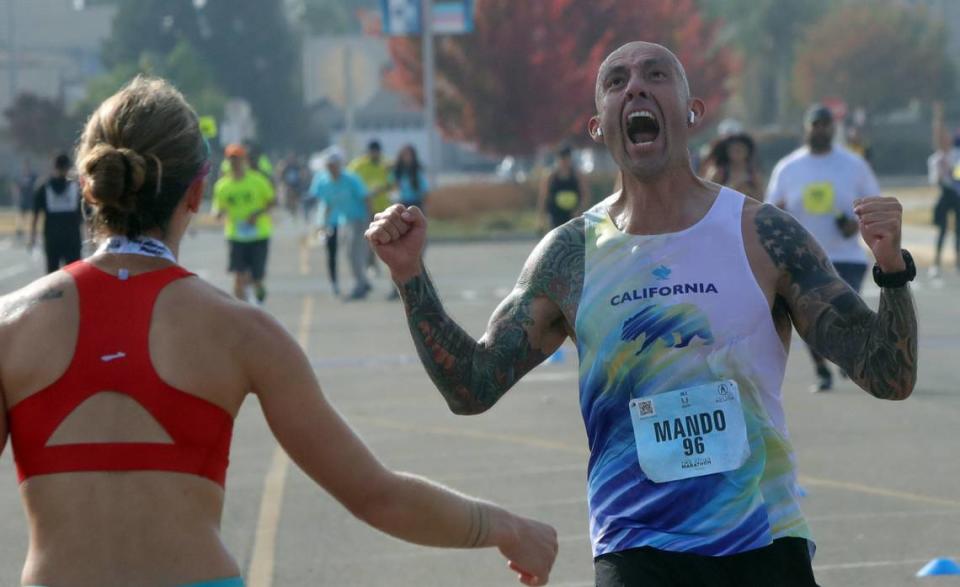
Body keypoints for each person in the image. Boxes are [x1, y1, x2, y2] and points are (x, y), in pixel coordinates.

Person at [368, 42, 917, 587]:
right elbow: (471, 386)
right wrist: (410, 276)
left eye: (656, 74)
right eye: (616, 82)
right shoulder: (570, 257)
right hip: (636, 548)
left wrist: (891, 270)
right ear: (597, 126)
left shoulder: (761, 233)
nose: (635, 87)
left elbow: (887, 375)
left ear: (691, 111)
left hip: (764, 542)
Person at [0, 75, 557, 587]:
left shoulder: (12, 324)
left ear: (90, 183)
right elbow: (375, 495)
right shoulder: (242, 331)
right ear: (197, 191)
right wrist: (507, 529)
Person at [766, 104, 883, 393]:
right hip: (803, 258)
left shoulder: (853, 164)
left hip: (846, 255)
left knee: (844, 314)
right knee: (810, 320)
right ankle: (822, 371)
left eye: (826, 124)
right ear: (806, 128)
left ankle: (846, 358)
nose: (821, 129)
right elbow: (770, 209)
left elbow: (874, 202)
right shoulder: (789, 167)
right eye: (815, 124)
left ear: (834, 128)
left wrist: (855, 224)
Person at [212, 144, 276, 304]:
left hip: (259, 234)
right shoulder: (222, 186)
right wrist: (218, 214)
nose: (234, 162)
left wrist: (257, 214)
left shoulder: (257, 180)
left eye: (237, 158)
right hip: (236, 235)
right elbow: (218, 208)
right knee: (238, 276)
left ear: (244, 160)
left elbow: (272, 202)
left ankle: (259, 296)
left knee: (257, 278)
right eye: (231, 159)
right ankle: (243, 310)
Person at [308, 147, 372, 300]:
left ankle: (360, 285)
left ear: (340, 165)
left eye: (335, 164)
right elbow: (328, 203)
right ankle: (363, 281)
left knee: (353, 252)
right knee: (348, 253)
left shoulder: (351, 179)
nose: (332, 168)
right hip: (344, 220)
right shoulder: (325, 182)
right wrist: (322, 223)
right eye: (329, 165)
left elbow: (366, 198)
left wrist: (370, 220)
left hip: (359, 218)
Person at [28, 153, 84, 274]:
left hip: (52, 238)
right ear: (68, 167)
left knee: (52, 275)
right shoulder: (76, 187)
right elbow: (85, 213)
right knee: (74, 274)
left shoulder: (43, 187)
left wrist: (32, 237)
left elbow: (36, 215)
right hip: (72, 237)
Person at [348, 140, 393, 277]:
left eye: (377, 152)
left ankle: (379, 264)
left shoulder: (386, 165)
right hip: (364, 209)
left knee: (383, 239)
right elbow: (349, 180)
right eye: (372, 152)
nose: (374, 155)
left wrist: (383, 188)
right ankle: (370, 264)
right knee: (368, 239)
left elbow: (393, 182)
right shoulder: (358, 165)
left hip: (383, 209)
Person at [927, 127, 960, 277]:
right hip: (945, 194)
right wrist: (941, 172)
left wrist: (950, 169)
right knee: (942, 229)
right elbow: (935, 181)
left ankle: (958, 262)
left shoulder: (957, 155)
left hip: (957, 195)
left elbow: (957, 175)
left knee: (958, 230)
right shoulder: (934, 159)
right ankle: (936, 263)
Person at [538, 145, 590, 230]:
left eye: (566, 159)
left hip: (573, 215)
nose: (564, 162)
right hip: (556, 215)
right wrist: (541, 218)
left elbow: (585, 196)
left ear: (570, 159)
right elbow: (543, 197)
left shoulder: (577, 175)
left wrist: (579, 210)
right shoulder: (550, 176)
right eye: (562, 159)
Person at [704, 133, 764, 201]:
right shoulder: (719, 173)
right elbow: (708, 195)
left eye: (740, 149)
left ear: (747, 151)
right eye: (734, 149)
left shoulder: (753, 175)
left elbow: (760, 199)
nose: (737, 152)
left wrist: (749, 192)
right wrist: (733, 189)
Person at [276, 152, 307, 221]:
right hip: (288, 185)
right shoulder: (286, 167)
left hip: (296, 184)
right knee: (288, 195)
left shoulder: (297, 166)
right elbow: (281, 175)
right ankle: (290, 208)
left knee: (297, 197)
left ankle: (297, 210)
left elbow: (302, 174)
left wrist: (302, 180)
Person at [14, 159, 38, 241]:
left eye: (27, 166)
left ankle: (31, 230)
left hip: (30, 199)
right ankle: (20, 230)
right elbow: (17, 187)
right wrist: (17, 195)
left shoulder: (33, 176)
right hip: (23, 199)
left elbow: (36, 186)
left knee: (32, 216)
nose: (25, 168)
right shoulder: (20, 176)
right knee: (21, 215)